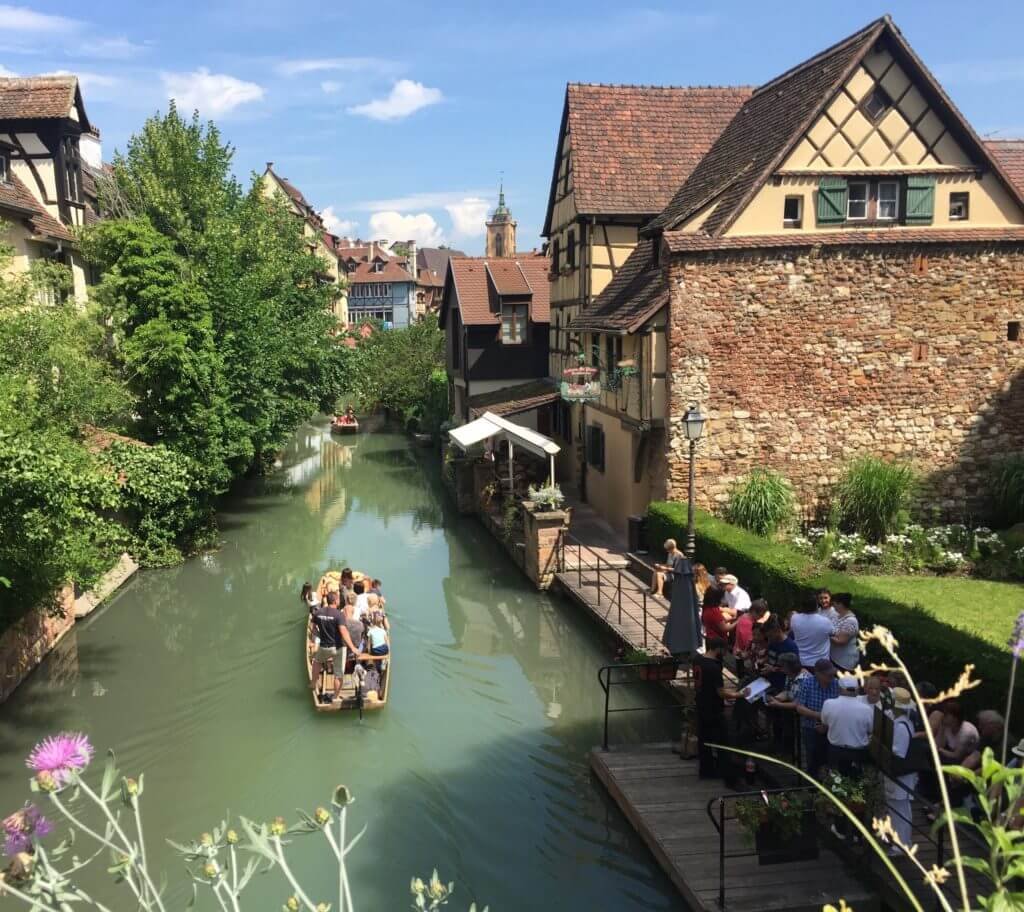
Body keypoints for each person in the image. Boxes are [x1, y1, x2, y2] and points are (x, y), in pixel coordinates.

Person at [693, 637, 748, 783]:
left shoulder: (697, 660)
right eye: (724, 650)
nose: (725, 654)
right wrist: (739, 694)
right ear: (718, 649)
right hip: (713, 708)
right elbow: (721, 692)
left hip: (701, 704)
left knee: (704, 740)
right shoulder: (713, 668)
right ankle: (725, 771)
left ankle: (706, 770)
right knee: (722, 741)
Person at [885, 688, 919, 856]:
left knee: (900, 809)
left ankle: (902, 845)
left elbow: (899, 752)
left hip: (900, 774)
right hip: (899, 773)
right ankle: (899, 841)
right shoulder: (901, 720)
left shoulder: (901, 726)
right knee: (898, 807)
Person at [793, 658, 839, 778]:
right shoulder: (807, 684)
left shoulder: (837, 684)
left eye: (832, 674)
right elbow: (799, 707)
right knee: (812, 757)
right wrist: (819, 715)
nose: (831, 677)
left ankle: (830, 780)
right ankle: (813, 780)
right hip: (810, 727)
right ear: (818, 673)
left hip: (831, 728)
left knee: (831, 757)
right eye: (828, 674)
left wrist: (827, 722)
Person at [820, 674, 874, 775]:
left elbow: (824, 723)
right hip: (857, 753)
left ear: (839, 689)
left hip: (835, 751)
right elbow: (870, 730)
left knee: (835, 781)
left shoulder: (828, 704)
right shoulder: (867, 709)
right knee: (858, 782)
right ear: (857, 690)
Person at [309, 593, 352, 701]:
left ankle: (313, 683)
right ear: (335, 601)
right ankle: (335, 697)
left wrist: (319, 635)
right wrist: (352, 647)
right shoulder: (339, 614)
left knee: (317, 661)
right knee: (338, 674)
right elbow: (344, 632)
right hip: (338, 648)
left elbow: (312, 627)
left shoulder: (318, 612)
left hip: (324, 647)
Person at [789, 595, 834, 671]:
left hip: (800, 661)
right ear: (816, 606)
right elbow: (833, 633)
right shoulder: (825, 621)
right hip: (820, 664)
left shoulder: (794, 618)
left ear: (802, 606)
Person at [734, 598, 770, 676]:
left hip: (743, 654)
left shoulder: (745, 617)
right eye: (760, 615)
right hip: (743, 657)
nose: (761, 617)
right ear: (753, 611)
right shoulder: (747, 623)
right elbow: (748, 642)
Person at [764, 620, 800, 691]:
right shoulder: (772, 642)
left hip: (782, 686)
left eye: (770, 636)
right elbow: (771, 657)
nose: (769, 639)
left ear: (778, 631)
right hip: (769, 682)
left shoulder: (790, 647)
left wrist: (773, 669)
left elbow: (794, 670)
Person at [829, 592, 860, 672]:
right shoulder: (837, 615)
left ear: (840, 604)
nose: (833, 606)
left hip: (844, 661)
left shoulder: (850, 621)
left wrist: (826, 635)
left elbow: (841, 641)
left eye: (834, 604)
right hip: (834, 656)